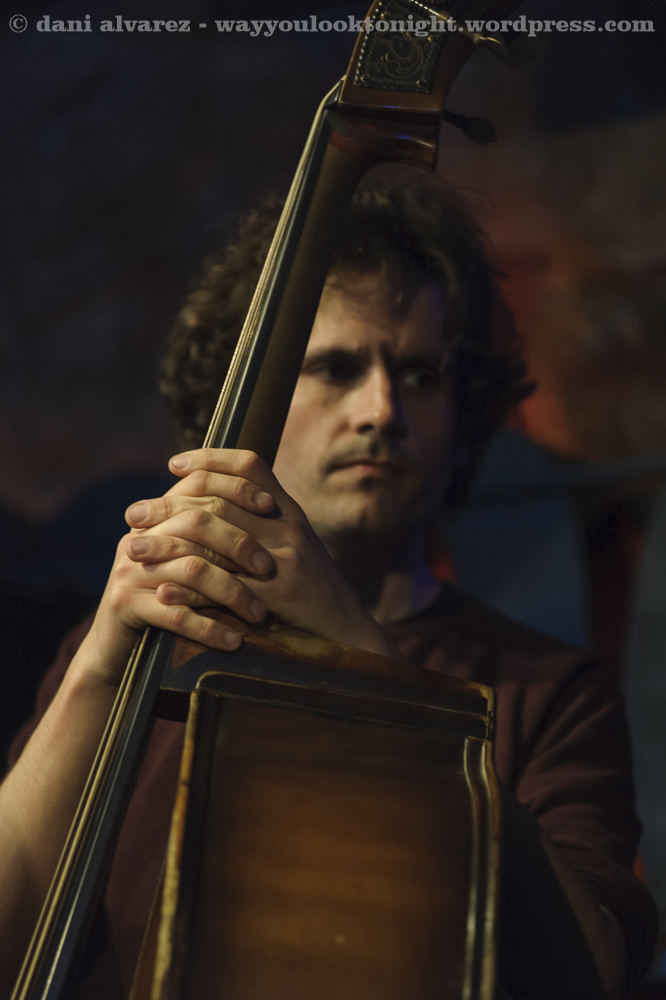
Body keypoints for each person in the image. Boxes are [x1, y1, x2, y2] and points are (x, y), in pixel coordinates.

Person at [0, 176, 657, 999]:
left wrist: (358, 654)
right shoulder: (125, 654)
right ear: (251, 402)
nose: (381, 410)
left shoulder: (550, 692)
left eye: (421, 376)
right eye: (337, 368)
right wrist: (96, 668)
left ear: (463, 416)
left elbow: (586, 971)